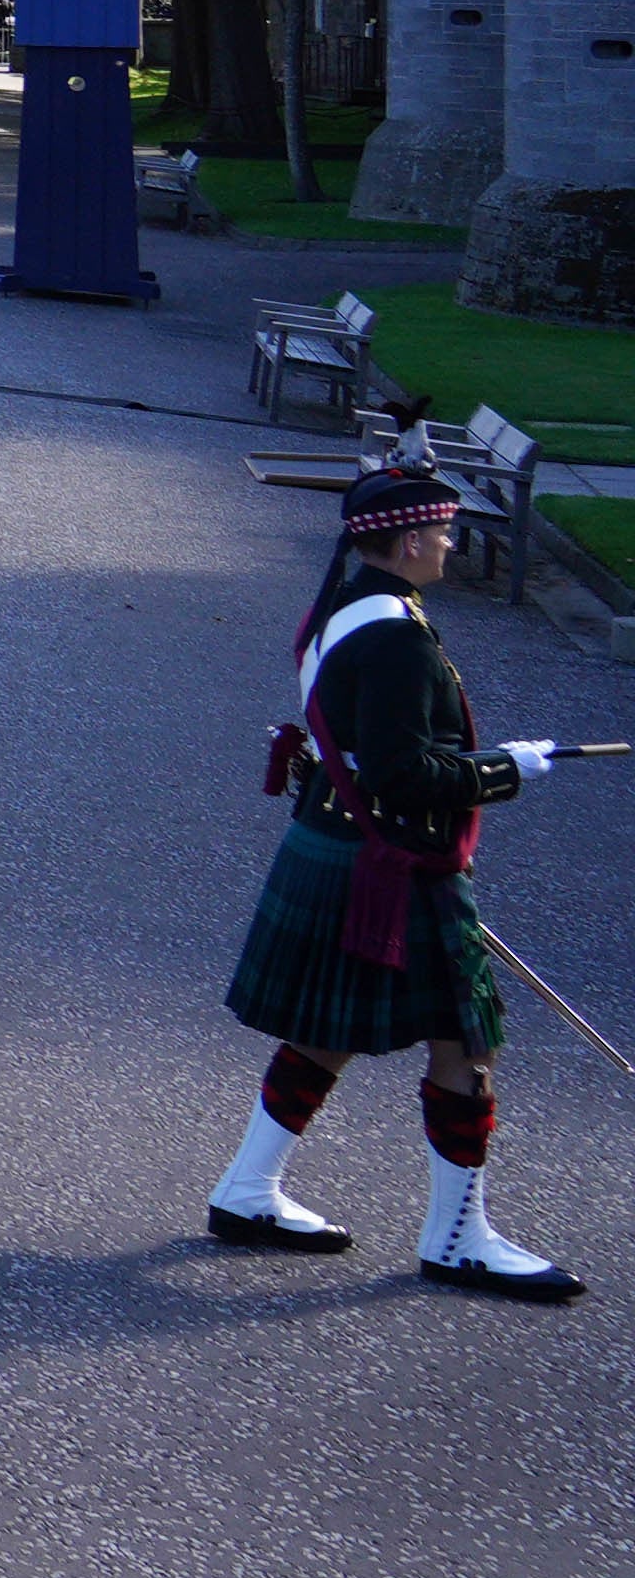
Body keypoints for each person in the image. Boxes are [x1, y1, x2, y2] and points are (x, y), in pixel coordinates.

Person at [212, 464, 580, 1297]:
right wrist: (505, 769)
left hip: (341, 847)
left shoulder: (345, 605)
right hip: (392, 858)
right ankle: (460, 1239)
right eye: (444, 532)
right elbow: (403, 775)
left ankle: (246, 1191)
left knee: (326, 1030)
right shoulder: (396, 637)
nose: (450, 544)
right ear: (411, 540)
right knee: (468, 1041)